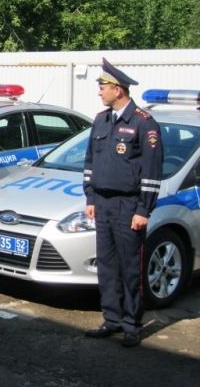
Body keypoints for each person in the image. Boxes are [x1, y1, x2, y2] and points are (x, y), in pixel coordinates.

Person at [83, 58, 163, 348]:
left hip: (129, 206)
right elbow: (90, 161)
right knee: (106, 265)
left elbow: (152, 172)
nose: (99, 91)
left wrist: (144, 209)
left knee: (131, 267)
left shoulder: (144, 123)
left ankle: (132, 324)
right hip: (102, 204)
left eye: (103, 86)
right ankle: (111, 319)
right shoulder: (101, 120)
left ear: (118, 89)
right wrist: (90, 197)